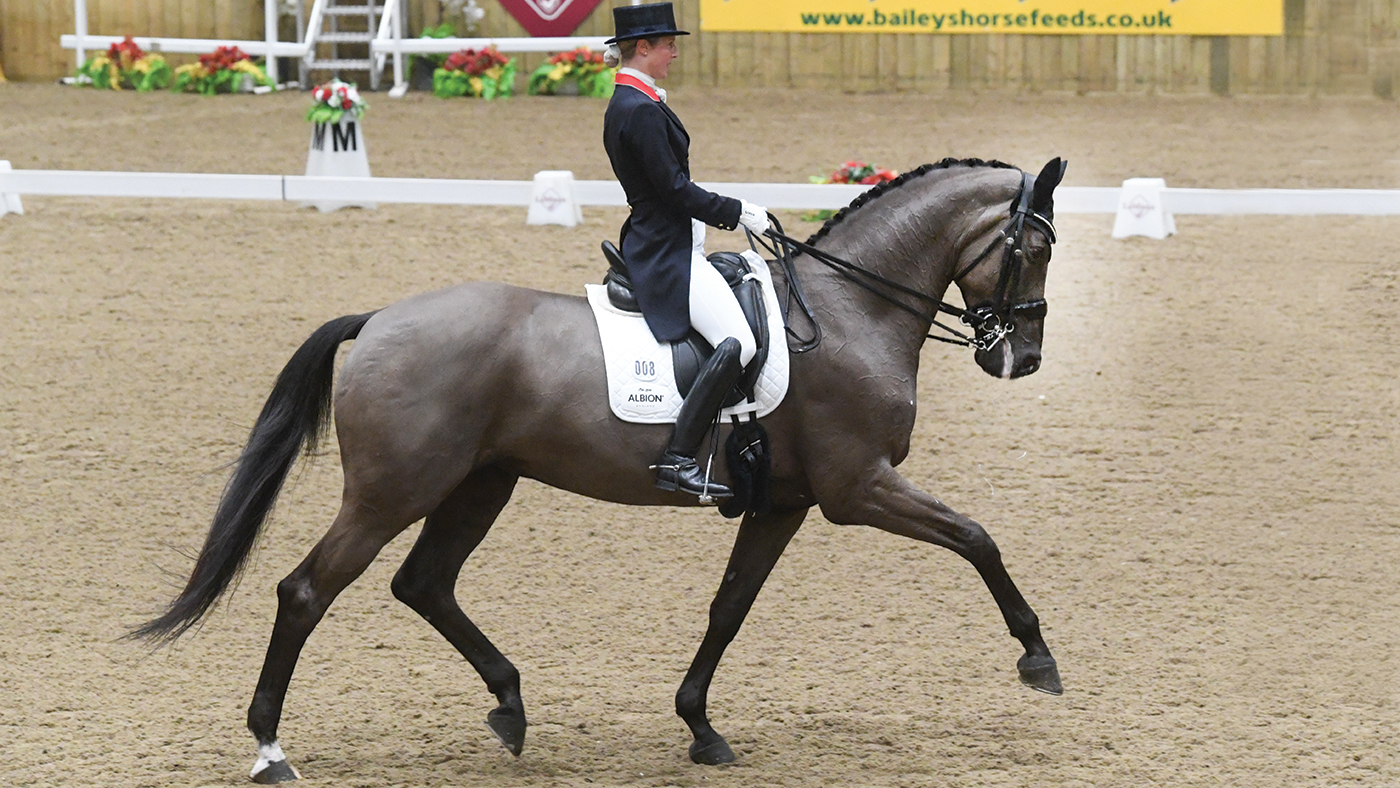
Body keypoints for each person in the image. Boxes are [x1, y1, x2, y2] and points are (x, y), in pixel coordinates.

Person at [602, 2, 771, 501]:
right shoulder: (638, 110)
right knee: (738, 342)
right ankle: (678, 459)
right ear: (644, 48)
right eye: (669, 44)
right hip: (665, 250)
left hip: (667, 236)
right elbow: (676, 191)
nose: (675, 52)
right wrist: (736, 210)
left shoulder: (638, 102)